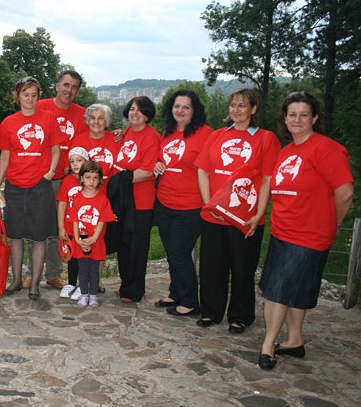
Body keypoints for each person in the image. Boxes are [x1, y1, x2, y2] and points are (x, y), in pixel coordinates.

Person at [257, 91, 353, 370]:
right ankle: (294, 340)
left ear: (315, 118)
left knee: (277, 292)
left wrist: (330, 222)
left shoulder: (327, 149)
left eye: (303, 114)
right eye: (292, 114)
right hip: (283, 231)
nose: (297, 119)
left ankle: (268, 345)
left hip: (307, 236)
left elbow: (345, 193)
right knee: (296, 290)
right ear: (285, 119)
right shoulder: (287, 151)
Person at [194, 88, 281, 332]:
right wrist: (208, 202)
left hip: (246, 218)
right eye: (233, 105)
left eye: (242, 106)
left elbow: (267, 180)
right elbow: (202, 170)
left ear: (254, 109)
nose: (236, 110)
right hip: (213, 215)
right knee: (211, 267)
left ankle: (240, 316)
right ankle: (211, 311)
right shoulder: (217, 135)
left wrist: (258, 214)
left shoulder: (266, 139)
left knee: (243, 269)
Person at [0, 76, 60, 300]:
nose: (29, 99)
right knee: (15, 236)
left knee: (39, 237)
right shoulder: (9, 122)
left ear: (38, 96)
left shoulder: (49, 118)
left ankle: (35, 284)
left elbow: (55, 150)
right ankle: (16, 280)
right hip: (14, 185)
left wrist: (49, 173)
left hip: (39, 186)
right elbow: (4, 156)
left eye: (33, 95)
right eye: (25, 94)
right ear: (18, 97)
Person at [24, 70, 88, 290]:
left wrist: (119, 134)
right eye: (66, 85)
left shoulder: (82, 114)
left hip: (67, 180)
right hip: (39, 177)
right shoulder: (39, 105)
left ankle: (53, 274)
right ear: (57, 85)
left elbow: (98, 132)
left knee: (58, 229)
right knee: (34, 228)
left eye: (74, 87)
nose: (69, 90)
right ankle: (31, 273)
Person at [154, 90, 213, 316]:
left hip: (190, 205)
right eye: (177, 106)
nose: (180, 111)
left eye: (186, 107)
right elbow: (163, 158)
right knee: (172, 252)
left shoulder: (206, 134)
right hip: (165, 201)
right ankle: (176, 292)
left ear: (194, 110)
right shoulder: (167, 133)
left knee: (179, 251)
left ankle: (190, 301)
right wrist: (158, 164)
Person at [108, 96, 160, 303]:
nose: (134, 113)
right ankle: (125, 284)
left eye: (139, 110)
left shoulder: (151, 136)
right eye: (131, 109)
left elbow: (147, 171)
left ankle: (135, 289)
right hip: (124, 200)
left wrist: (122, 179)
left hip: (140, 201)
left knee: (137, 246)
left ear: (147, 114)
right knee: (124, 243)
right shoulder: (129, 132)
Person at [69, 161, 116, 308]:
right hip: (81, 242)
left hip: (96, 242)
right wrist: (77, 239)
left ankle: (93, 295)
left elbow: (102, 220)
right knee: (83, 270)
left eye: (95, 178)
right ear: (82, 178)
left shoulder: (102, 199)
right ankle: (83, 295)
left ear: (100, 179)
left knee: (94, 271)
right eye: (88, 177)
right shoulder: (77, 198)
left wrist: (94, 238)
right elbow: (75, 220)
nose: (91, 181)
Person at [55, 147, 89, 300]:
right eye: (72, 161)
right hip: (69, 226)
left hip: (86, 228)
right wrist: (61, 227)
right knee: (72, 256)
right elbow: (62, 204)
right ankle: (71, 283)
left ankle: (83, 285)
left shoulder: (92, 180)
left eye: (79, 160)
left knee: (84, 256)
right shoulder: (67, 181)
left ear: (86, 161)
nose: (75, 164)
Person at [71, 103, 120, 191]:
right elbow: (72, 169)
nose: (96, 122)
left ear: (106, 121)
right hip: (86, 192)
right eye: (92, 118)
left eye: (100, 118)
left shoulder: (116, 139)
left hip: (112, 191)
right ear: (88, 120)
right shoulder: (78, 140)